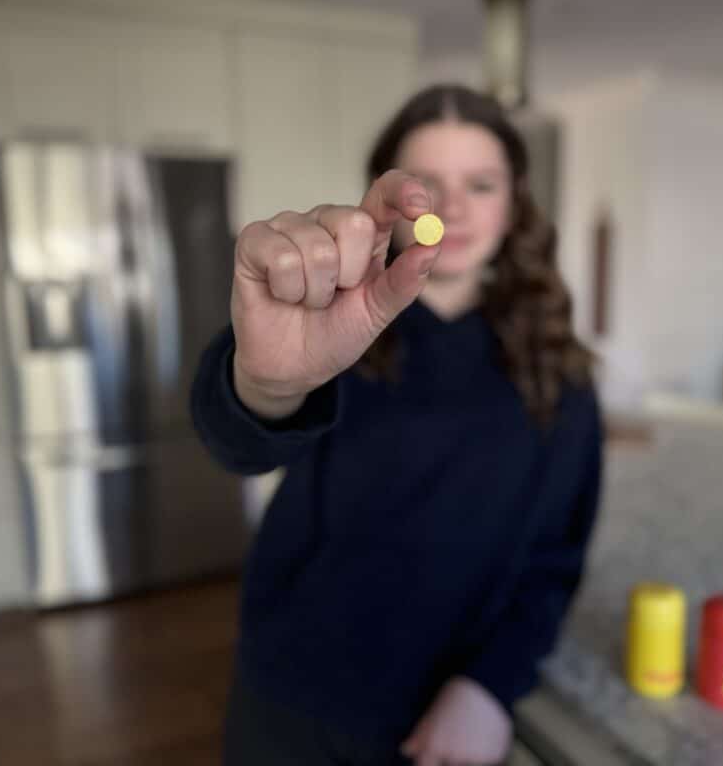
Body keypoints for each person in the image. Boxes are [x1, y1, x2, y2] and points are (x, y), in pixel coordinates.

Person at [191, 84, 603, 766]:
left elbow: (556, 559)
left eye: (481, 183)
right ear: (387, 197)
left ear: (514, 201)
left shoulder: (557, 367)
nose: (455, 207)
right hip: (294, 694)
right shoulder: (331, 321)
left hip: (443, 720)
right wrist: (264, 383)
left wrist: (488, 688)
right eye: (428, 185)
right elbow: (237, 442)